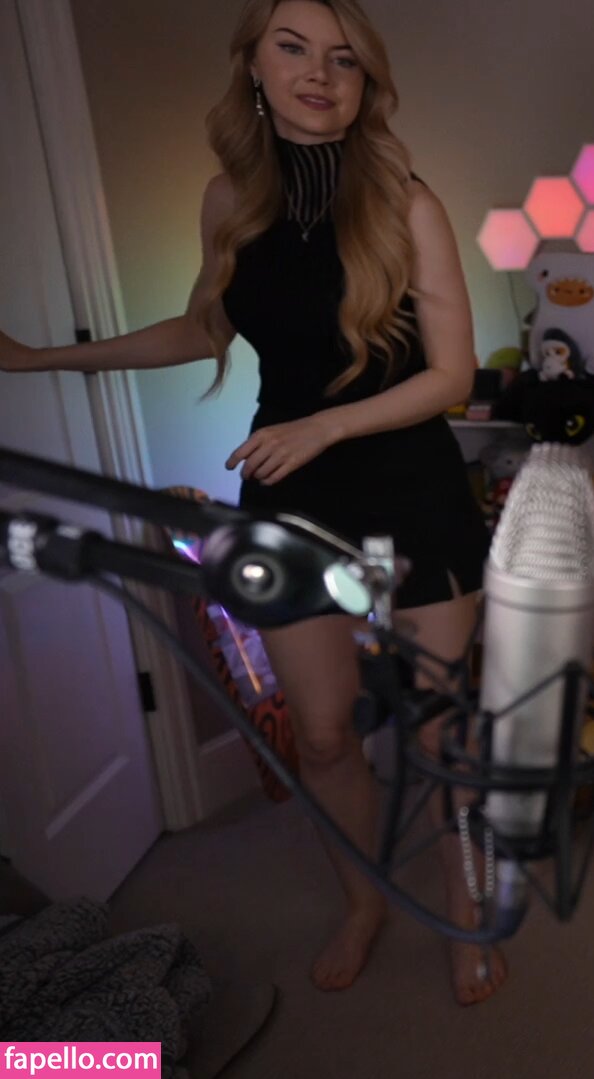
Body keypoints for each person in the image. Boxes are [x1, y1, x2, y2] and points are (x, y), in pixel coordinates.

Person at [0, 0, 507, 1005]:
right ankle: (362, 900)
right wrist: (43, 359)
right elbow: (205, 326)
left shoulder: (407, 202)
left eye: (344, 59)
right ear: (255, 68)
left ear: (366, 83)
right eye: (294, 48)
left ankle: (464, 899)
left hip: (408, 482)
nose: (320, 73)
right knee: (321, 733)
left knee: (440, 734)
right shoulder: (227, 201)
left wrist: (325, 424)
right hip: (291, 489)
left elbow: (451, 375)